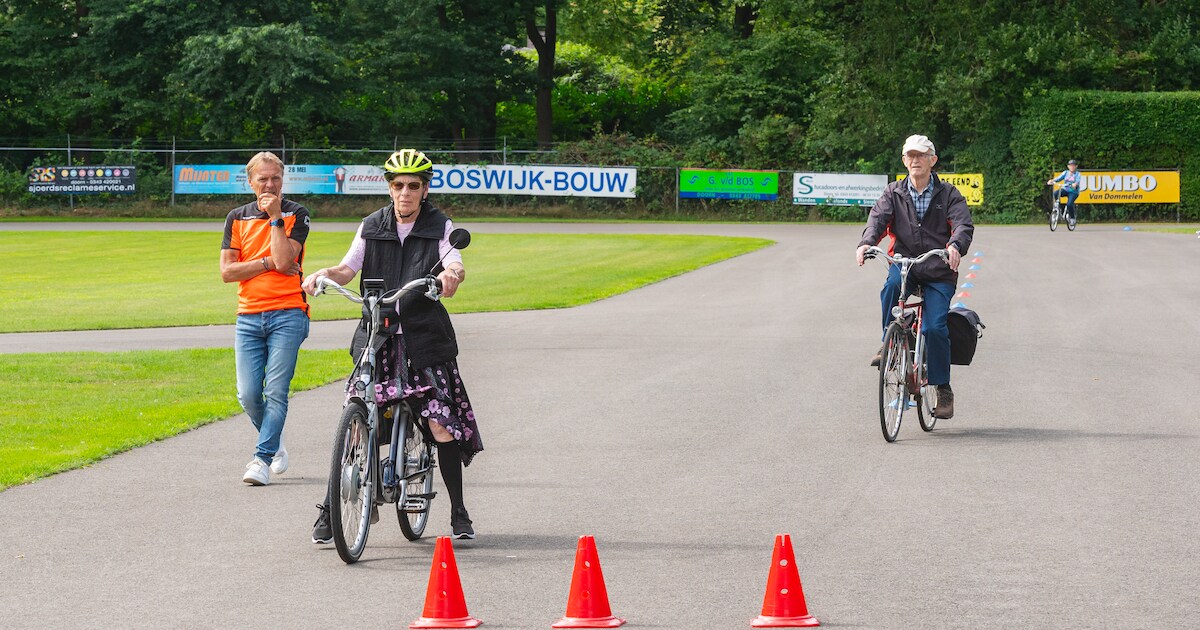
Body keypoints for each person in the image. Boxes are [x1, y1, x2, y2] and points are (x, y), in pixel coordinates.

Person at [303, 148, 482, 541]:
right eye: (398, 185)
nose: (405, 193)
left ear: (425, 188)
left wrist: (452, 275)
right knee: (355, 418)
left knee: (439, 423)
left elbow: (454, 261)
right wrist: (323, 274)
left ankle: (458, 511)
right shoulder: (372, 225)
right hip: (378, 337)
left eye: (413, 186)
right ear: (388, 187)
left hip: (424, 340)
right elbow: (347, 268)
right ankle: (331, 509)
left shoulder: (440, 225)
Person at [855, 134, 974, 419]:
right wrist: (865, 244)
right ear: (904, 160)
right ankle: (889, 341)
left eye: (921, 155)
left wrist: (955, 246)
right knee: (891, 286)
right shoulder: (893, 192)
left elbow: (962, 224)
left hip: (938, 268)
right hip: (905, 263)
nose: (915, 160)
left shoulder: (948, 194)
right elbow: (878, 220)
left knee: (934, 328)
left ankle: (943, 388)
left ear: (933, 160)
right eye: (911, 155)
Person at [220, 151, 311, 485]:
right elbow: (227, 272)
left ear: (283, 179)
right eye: (263, 178)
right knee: (247, 394)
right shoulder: (236, 218)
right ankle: (274, 443)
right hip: (248, 315)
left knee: (276, 390)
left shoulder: (296, 214)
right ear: (250, 181)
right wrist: (265, 263)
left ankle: (260, 459)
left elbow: (286, 261)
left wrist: (275, 219)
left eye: (275, 178)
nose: (270, 184)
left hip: (288, 312)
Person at [1047, 159, 1082, 223]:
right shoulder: (1066, 172)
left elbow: (1077, 181)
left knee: (1069, 204)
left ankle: (1072, 218)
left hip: (1073, 192)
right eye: (1070, 165)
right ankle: (1059, 209)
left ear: (1076, 166)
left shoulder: (1078, 174)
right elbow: (1058, 178)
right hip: (1065, 189)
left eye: (1073, 165)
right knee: (1056, 193)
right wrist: (1052, 181)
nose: (1072, 167)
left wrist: (1075, 184)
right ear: (1068, 166)